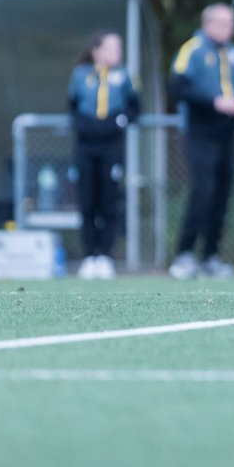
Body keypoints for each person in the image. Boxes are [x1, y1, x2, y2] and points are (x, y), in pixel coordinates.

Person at [168, 4, 234, 280]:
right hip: (200, 131)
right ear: (208, 24)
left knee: (222, 194)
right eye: (224, 23)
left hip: (227, 134)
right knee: (203, 191)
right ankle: (183, 254)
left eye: (232, 23)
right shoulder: (193, 49)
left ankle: (211, 256)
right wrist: (214, 102)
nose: (229, 29)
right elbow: (178, 87)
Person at [68, 31, 140, 280]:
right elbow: (72, 106)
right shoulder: (80, 75)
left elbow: (134, 107)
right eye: (112, 48)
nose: (117, 53)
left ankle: (106, 255)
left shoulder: (125, 75)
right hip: (86, 146)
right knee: (87, 201)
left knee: (110, 200)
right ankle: (89, 255)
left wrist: (117, 123)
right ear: (97, 51)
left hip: (112, 146)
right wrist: (85, 126)